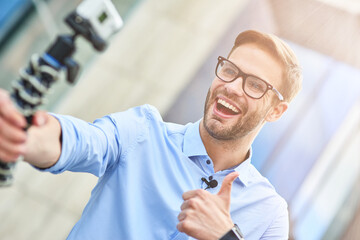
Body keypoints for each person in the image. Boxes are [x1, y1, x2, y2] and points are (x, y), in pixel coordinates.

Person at [0, 30, 302, 240]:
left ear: (276, 111)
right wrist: (23, 134)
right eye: (230, 70)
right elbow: (82, 141)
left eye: (255, 85)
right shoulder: (143, 131)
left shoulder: (269, 212)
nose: (232, 86)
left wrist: (225, 237)